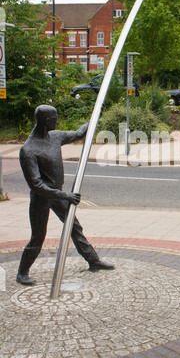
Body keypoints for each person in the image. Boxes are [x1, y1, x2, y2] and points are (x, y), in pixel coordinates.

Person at [17, 105, 114, 286]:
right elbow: (36, 185)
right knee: (38, 237)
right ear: (47, 121)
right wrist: (65, 196)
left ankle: (93, 260)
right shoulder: (28, 150)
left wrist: (95, 116)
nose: (58, 121)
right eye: (55, 118)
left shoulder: (55, 137)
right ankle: (22, 272)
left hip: (59, 195)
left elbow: (79, 134)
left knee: (75, 227)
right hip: (41, 198)